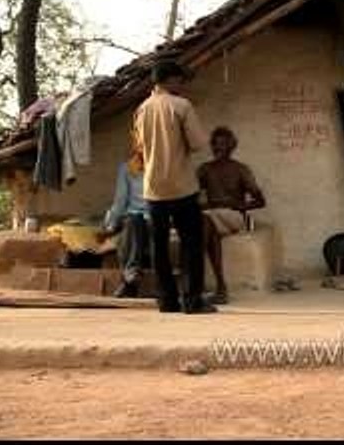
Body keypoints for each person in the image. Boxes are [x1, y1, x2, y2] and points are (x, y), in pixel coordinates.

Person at [133, 60, 215, 314]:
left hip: (153, 189)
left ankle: (166, 301)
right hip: (182, 186)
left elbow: (138, 148)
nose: (181, 84)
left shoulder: (141, 109)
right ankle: (192, 301)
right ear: (169, 80)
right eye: (179, 80)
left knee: (159, 248)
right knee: (191, 244)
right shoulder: (181, 105)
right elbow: (198, 143)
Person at [197, 126, 266, 304]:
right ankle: (221, 287)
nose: (217, 148)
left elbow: (260, 201)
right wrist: (204, 204)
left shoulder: (241, 169)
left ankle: (196, 285)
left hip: (233, 217)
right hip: (212, 216)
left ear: (231, 147)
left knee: (204, 223)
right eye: (215, 144)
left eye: (222, 145)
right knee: (208, 228)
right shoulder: (204, 169)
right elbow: (192, 197)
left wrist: (239, 205)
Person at [97, 133, 151, 298]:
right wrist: (111, 225)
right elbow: (120, 202)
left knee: (137, 225)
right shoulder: (127, 168)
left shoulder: (160, 167)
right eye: (140, 145)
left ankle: (128, 280)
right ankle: (131, 273)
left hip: (153, 217)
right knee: (132, 222)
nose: (143, 149)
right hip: (130, 217)